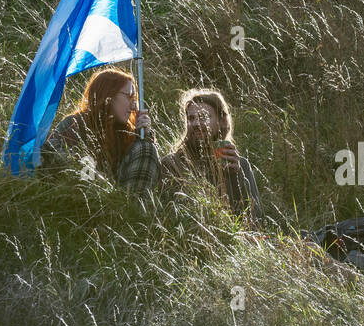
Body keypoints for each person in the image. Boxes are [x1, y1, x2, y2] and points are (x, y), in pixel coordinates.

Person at [39, 68, 161, 194]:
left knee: (146, 147)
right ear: (108, 95)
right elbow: (51, 153)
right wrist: (99, 180)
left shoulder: (129, 133)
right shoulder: (75, 124)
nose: (134, 106)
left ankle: (130, 210)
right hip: (79, 200)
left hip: (120, 204)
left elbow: (148, 171)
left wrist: (145, 136)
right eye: (129, 96)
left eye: (134, 98)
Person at [160, 87, 263, 224]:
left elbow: (255, 220)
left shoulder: (239, 164)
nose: (196, 123)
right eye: (191, 118)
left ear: (221, 122)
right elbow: (169, 215)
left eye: (203, 117)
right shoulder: (172, 163)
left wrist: (235, 177)